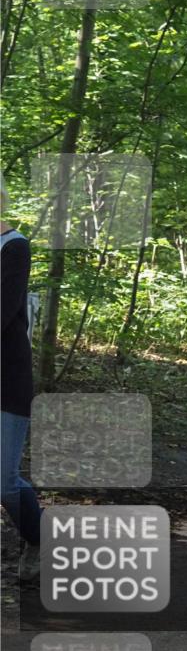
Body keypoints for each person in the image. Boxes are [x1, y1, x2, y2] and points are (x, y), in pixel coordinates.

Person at [1, 173, 43, 580]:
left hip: (6, 381)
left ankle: (41, 537)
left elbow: (4, 310)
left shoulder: (14, 246)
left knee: (4, 481)